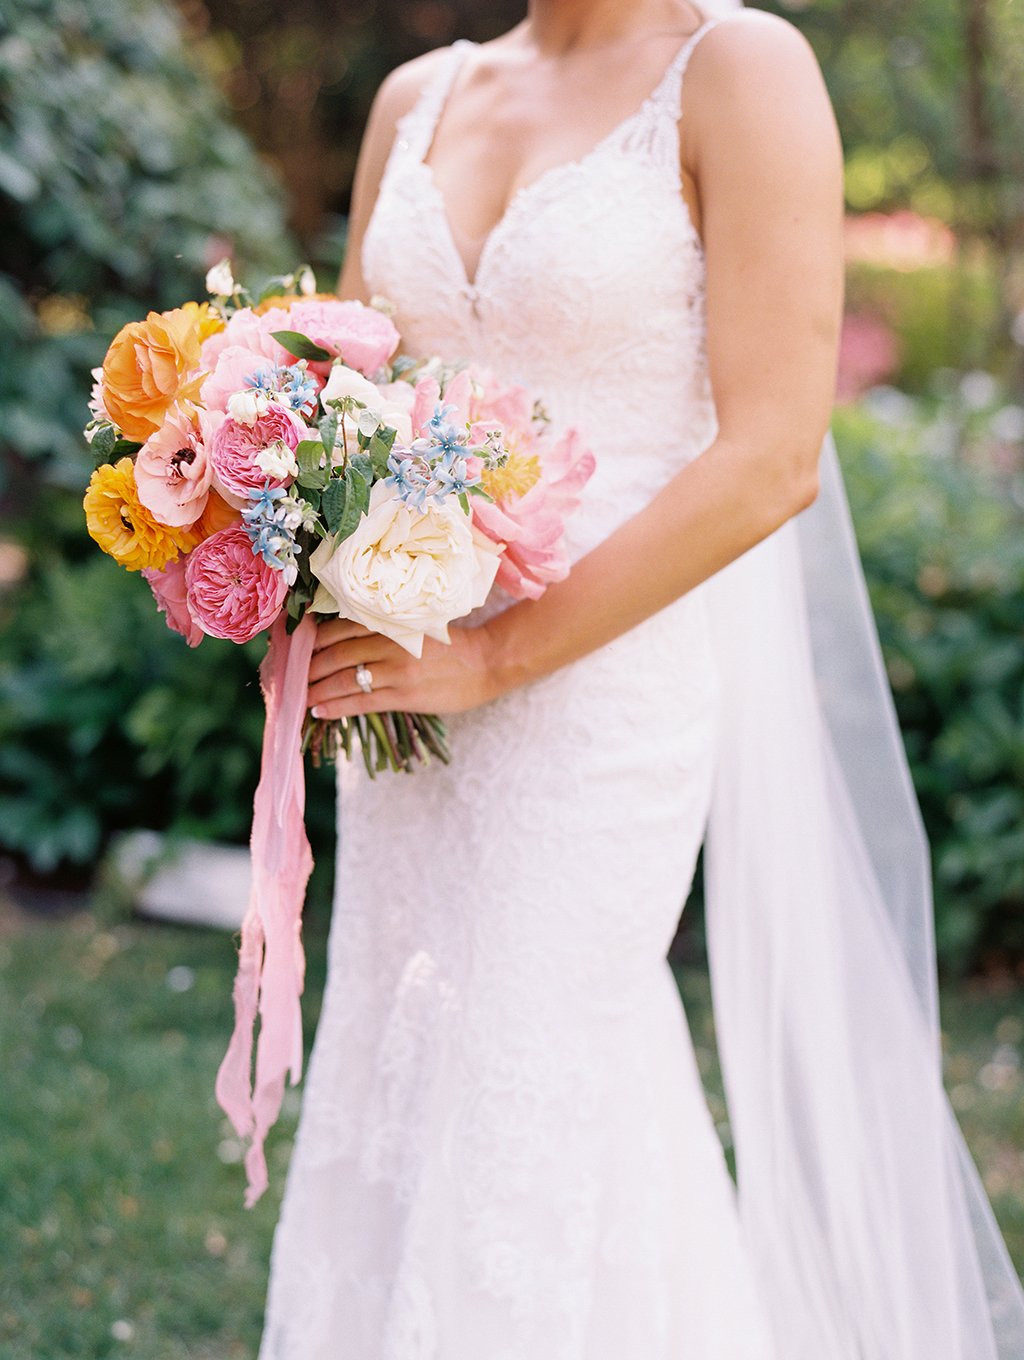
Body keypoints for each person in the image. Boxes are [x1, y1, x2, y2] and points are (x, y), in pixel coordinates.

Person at [258, 2, 1024, 1356]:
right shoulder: (416, 98)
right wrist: (279, 541)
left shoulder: (738, 71)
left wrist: (501, 652)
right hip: (406, 684)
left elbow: (775, 452)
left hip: (598, 693)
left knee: (533, 1065)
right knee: (402, 1053)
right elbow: (351, 391)